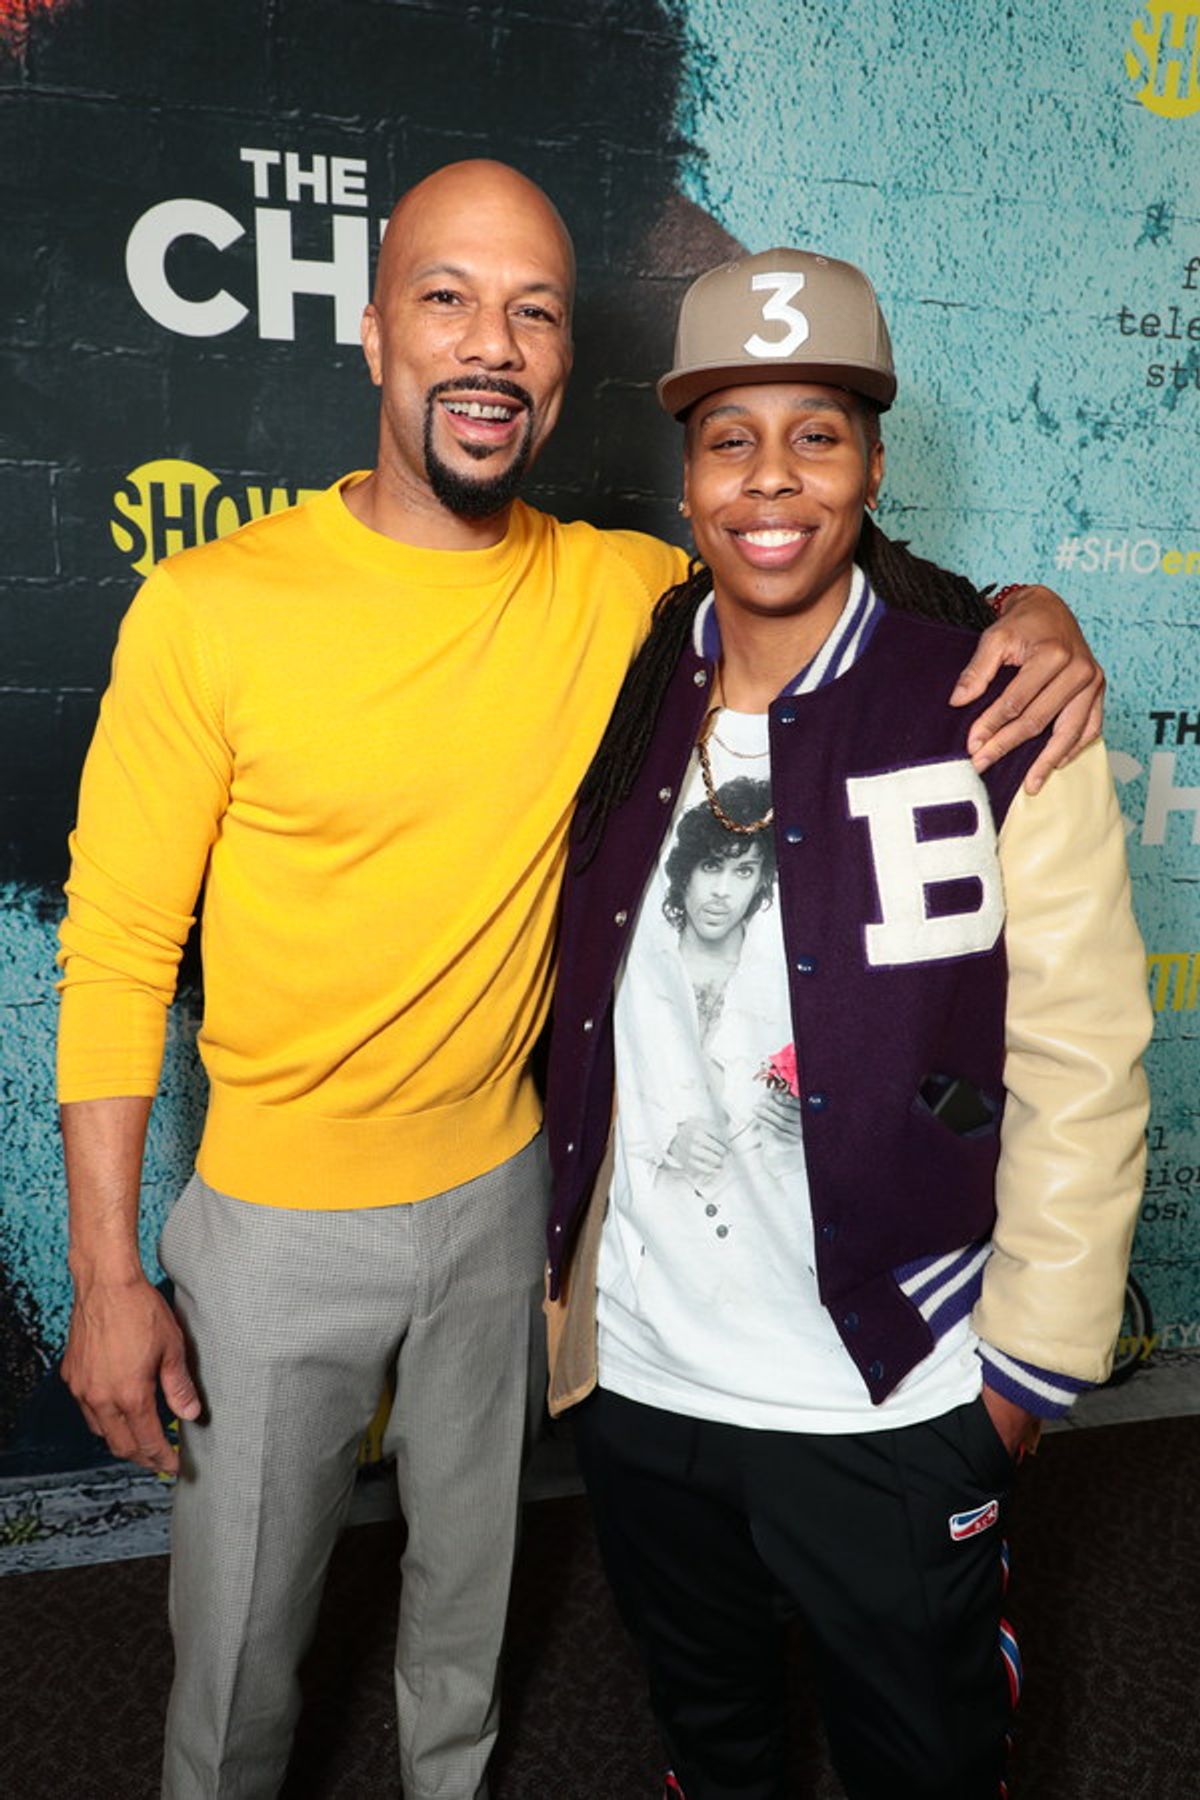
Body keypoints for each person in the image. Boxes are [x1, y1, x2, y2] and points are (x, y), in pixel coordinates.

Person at [56, 159, 1103, 1800]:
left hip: (508, 1210)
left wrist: (1034, 614)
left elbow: (825, 561)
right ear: (373, 329)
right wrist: (108, 1272)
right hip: (272, 1229)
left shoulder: (622, 590)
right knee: (238, 1661)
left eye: (534, 312)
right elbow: (119, 949)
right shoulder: (210, 609)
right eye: (449, 299)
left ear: (561, 363)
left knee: (464, 1635)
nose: (492, 343)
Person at [542, 247, 1151, 1800]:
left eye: (817, 435)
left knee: (925, 1761)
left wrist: (1021, 1384)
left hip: (896, 1389)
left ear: (876, 468)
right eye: (729, 438)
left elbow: (1082, 1058)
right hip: (648, 1384)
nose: (771, 478)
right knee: (713, 1744)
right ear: (686, 479)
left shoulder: (997, 705)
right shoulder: (632, 683)